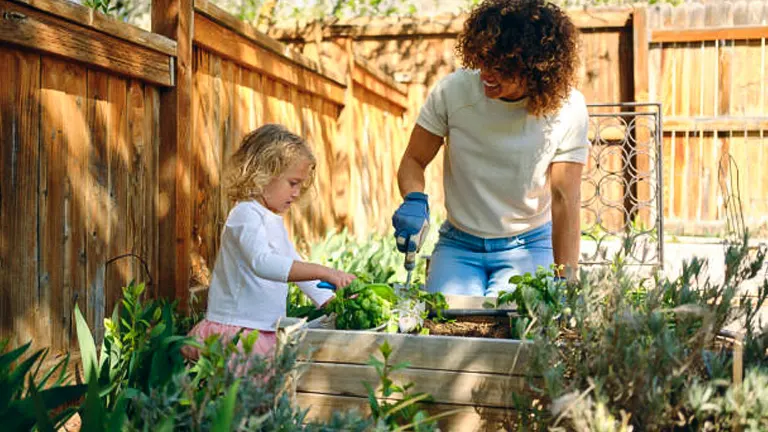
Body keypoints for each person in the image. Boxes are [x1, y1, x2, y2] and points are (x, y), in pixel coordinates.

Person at [392, 0, 590, 297]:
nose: (486, 74)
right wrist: (415, 199)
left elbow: (564, 199)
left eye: (501, 67)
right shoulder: (454, 91)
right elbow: (414, 159)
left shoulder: (567, 108)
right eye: (483, 60)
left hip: (528, 244)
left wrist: (566, 279)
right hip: (459, 242)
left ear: (536, 68)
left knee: (518, 326)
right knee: (445, 321)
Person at [184, 124, 356, 360]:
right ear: (262, 175)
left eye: (301, 185)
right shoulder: (245, 215)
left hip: (262, 331)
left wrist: (330, 301)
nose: (296, 193)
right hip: (237, 332)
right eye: (292, 183)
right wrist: (325, 272)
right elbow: (262, 263)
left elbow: (291, 263)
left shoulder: (272, 219)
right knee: (241, 396)